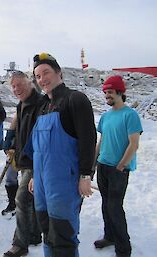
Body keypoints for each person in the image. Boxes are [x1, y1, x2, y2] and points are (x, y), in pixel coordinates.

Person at [29, 53, 97, 257]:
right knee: (47, 232)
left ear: (59, 72)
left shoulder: (74, 99)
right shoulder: (41, 106)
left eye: (46, 72)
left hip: (64, 183)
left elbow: (88, 139)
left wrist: (86, 175)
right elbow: (37, 147)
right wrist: (34, 174)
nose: (42, 79)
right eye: (38, 76)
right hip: (42, 183)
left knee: (64, 236)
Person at [94, 75, 143, 257]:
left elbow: (134, 144)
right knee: (106, 205)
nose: (107, 95)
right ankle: (109, 236)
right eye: (105, 92)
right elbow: (102, 140)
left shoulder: (130, 115)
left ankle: (124, 248)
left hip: (118, 169)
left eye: (110, 92)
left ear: (120, 92)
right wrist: (94, 160)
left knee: (115, 207)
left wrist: (122, 165)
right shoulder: (105, 117)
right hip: (103, 166)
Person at [3, 71, 42, 257]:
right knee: (31, 198)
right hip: (24, 159)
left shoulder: (41, 104)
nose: (16, 89)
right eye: (13, 86)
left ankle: (20, 244)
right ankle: (34, 234)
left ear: (31, 83)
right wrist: (11, 143)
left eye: (20, 84)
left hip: (36, 160)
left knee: (21, 198)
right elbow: (19, 128)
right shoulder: (23, 104)